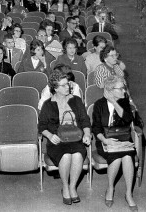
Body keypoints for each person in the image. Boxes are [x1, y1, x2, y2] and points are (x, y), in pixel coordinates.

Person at [38, 66, 91, 205]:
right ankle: (65, 187)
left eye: (68, 83)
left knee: (78, 155)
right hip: (57, 140)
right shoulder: (48, 105)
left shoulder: (76, 100)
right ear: (55, 88)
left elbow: (85, 120)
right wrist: (49, 136)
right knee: (66, 156)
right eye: (64, 85)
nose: (68, 86)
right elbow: (42, 126)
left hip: (75, 137)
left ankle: (73, 187)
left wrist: (86, 134)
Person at [92, 75, 137, 211]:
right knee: (117, 159)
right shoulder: (99, 104)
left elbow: (128, 119)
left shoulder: (124, 102)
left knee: (128, 157)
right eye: (121, 88)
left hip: (123, 139)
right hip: (105, 139)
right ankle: (110, 188)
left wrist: (114, 101)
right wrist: (105, 140)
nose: (124, 91)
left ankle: (129, 194)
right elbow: (96, 128)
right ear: (110, 89)